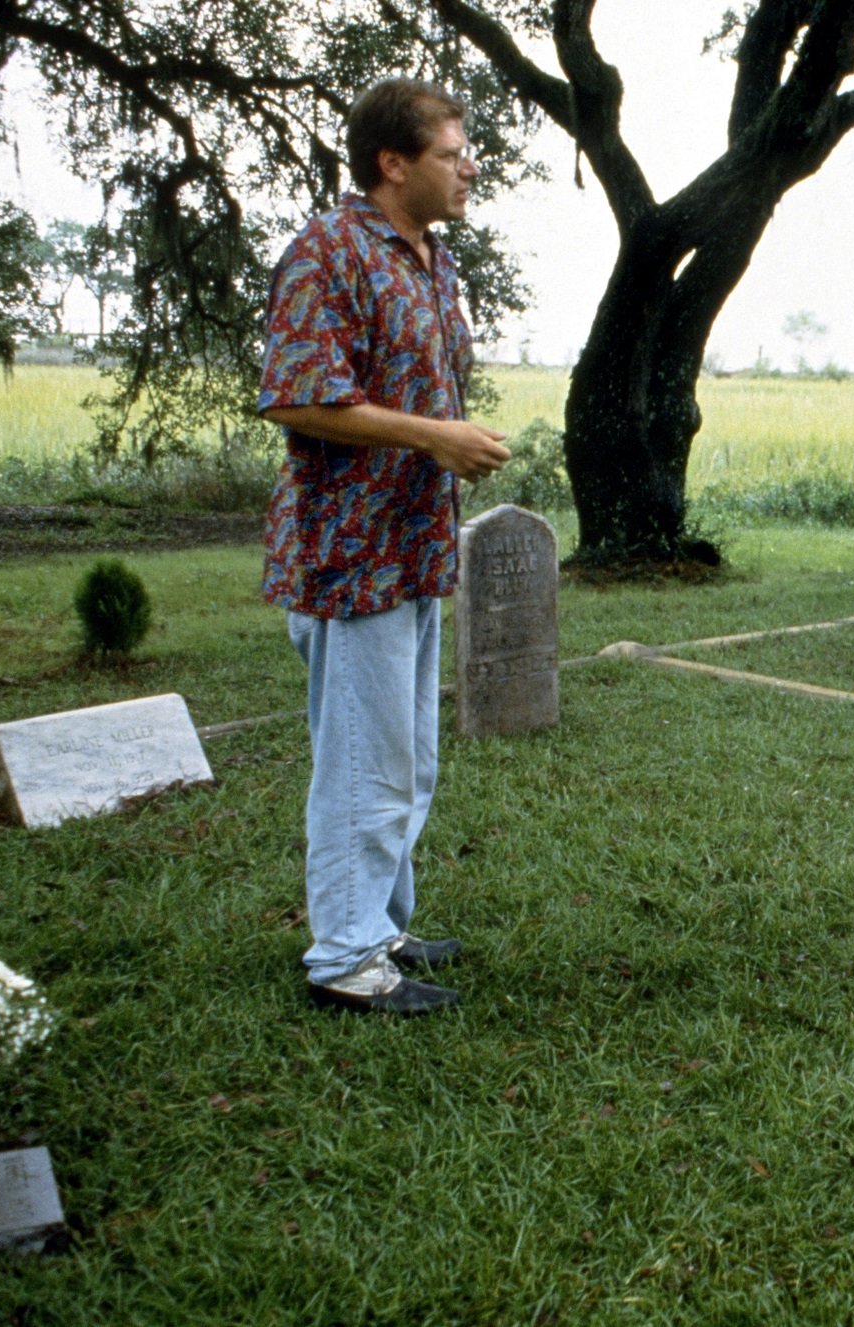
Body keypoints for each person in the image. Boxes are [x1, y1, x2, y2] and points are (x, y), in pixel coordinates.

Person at [259, 78, 511, 1015]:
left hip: (412, 548)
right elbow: (295, 395)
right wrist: (436, 438)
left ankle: (384, 926)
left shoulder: (430, 262)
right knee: (363, 761)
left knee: (407, 756)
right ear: (392, 163)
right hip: (347, 552)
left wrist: (443, 441)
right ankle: (347, 960)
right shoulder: (328, 254)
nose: (469, 166)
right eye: (453, 153)